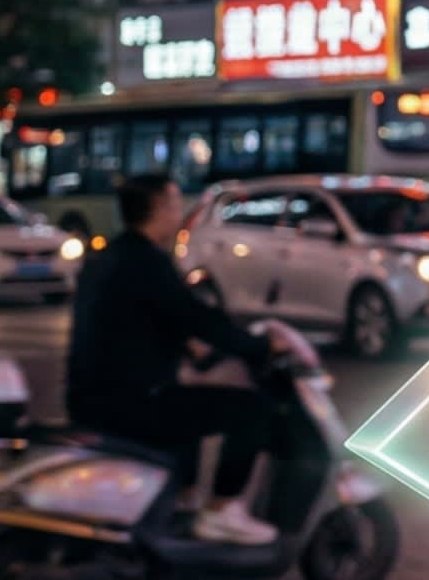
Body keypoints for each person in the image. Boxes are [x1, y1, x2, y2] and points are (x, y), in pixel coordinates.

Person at [65, 176, 297, 546]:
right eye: (175, 204)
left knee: (189, 404)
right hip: (131, 402)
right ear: (158, 209)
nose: (180, 213)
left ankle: (182, 504)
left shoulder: (111, 258)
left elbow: (149, 320)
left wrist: (200, 350)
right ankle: (222, 511)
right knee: (251, 409)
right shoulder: (147, 263)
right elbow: (195, 317)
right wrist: (259, 346)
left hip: (95, 398)